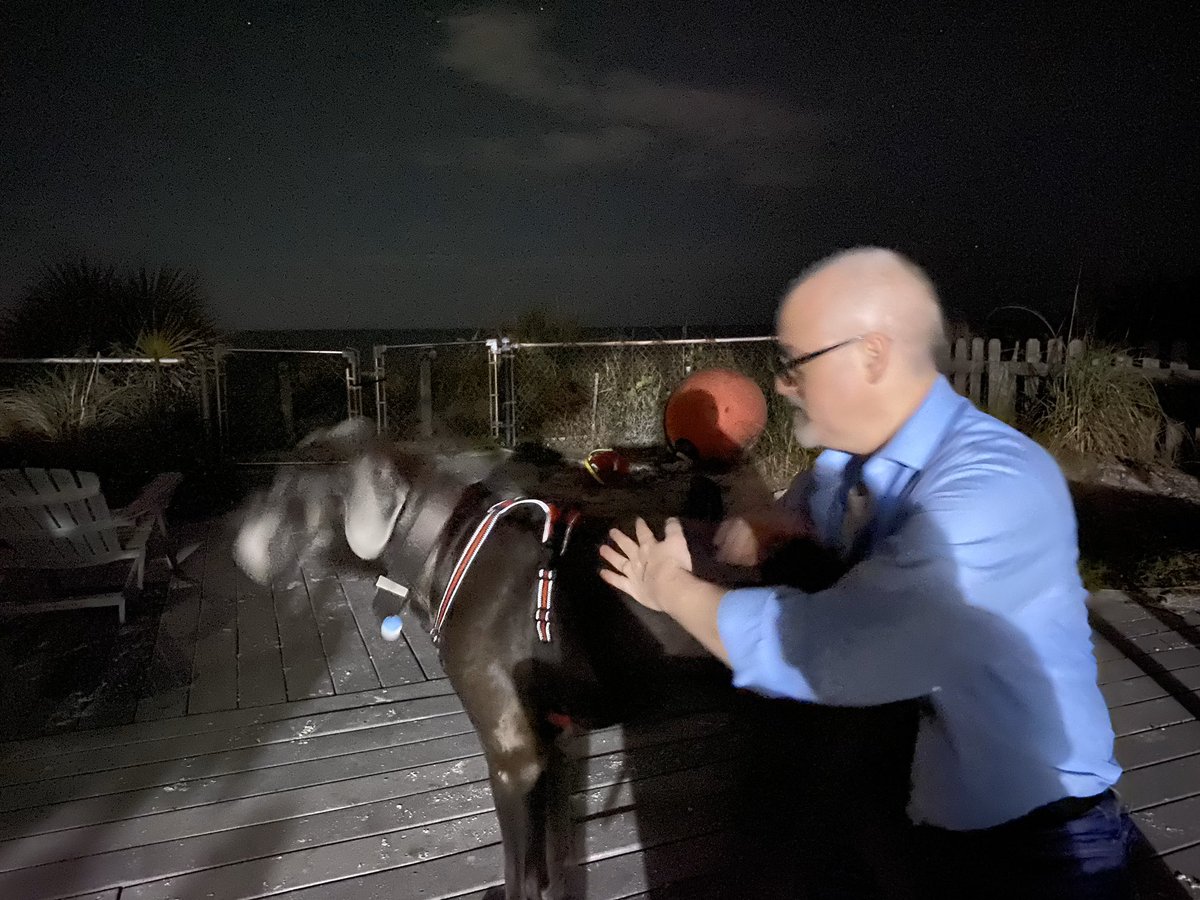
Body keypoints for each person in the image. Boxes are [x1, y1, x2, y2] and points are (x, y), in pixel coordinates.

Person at [599, 247, 1134, 899]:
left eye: (796, 364)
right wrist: (714, 540)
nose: (783, 386)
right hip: (894, 806)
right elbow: (762, 535)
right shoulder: (837, 470)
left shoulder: (994, 483)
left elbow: (834, 652)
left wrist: (673, 590)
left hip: (1032, 846)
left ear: (873, 355)